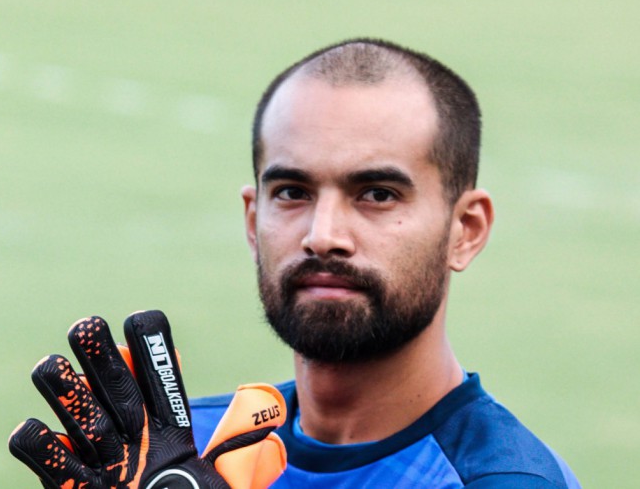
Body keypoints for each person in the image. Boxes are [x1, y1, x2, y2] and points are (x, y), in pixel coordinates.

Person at [188, 38, 581, 488]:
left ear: (465, 231)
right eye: (293, 192)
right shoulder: (188, 449)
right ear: (254, 221)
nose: (322, 236)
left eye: (378, 194)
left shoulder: (503, 480)